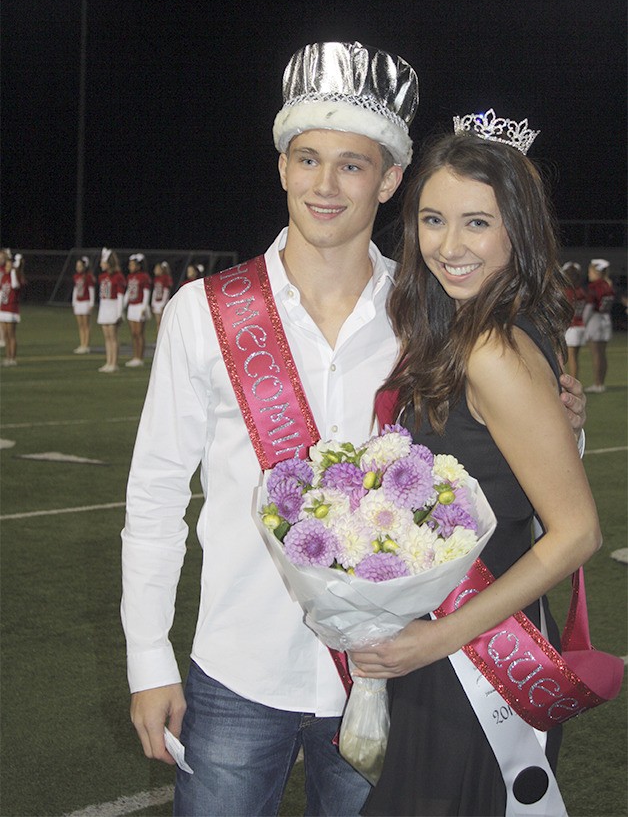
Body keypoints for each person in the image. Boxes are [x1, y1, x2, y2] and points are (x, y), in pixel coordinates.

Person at [121, 45, 586, 817]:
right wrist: (147, 661)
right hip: (240, 668)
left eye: (352, 166)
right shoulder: (205, 312)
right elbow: (155, 497)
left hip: (388, 673)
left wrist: (564, 419)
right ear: (281, 167)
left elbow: (508, 470)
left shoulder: (431, 314)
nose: (325, 186)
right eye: (307, 159)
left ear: (391, 179)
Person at [351, 113, 601, 817]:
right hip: (449, 651)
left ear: (517, 230)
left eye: (477, 224)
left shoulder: (491, 346)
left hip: (476, 660)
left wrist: (435, 638)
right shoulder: (463, 333)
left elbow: (577, 532)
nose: (449, 246)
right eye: (433, 219)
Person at [583, 257, 614, 393]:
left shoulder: (594, 286)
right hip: (606, 320)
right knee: (602, 354)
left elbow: (589, 306)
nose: (589, 274)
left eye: (590, 271)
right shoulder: (608, 285)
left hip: (595, 320)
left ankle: (597, 384)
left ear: (597, 272)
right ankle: (601, 383)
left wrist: (584, 322)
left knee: (596, 354)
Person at [97, 248, 126, 373]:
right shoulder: (102, 276)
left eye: (103, 262)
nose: (101, 264)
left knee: (113, 337)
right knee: (107, 337)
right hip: (104, 306)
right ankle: (108, 361)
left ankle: (114, 363)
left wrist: (119, 312)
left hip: (113, 306)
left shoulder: (118, 277)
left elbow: (120, 295)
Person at [123, 253, 152, 368]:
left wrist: (144, 307)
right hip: (132, 306)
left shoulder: (144, 277)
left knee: (139, 333)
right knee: (133, 334)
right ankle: (135, 357)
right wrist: (123, 306)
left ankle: (140, 357)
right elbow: (128, 292)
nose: (130, 267)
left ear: (138, 266)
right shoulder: (130, 277)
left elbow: (146, 292)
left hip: (139, 306)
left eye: (132, 265)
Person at [561, 260, 587, 378]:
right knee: (574, 357)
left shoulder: (567, 292)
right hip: (580, 325)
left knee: (568, 358)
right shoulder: (581, 291)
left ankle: (571, 383)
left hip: (571, 327)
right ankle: (574, 380)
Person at [0, 251, 25, 367]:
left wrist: (14, 271)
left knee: (11, 335)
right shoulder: (4, 277)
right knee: (5, 335)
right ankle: (7, 357)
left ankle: (13, 358)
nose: (7, 268)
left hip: (11, 309)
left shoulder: (15, 278)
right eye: (6, 266)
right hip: (3, 308)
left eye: (9, 266)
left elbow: (14, 286)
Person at [72, 256, 96, 354]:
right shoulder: (76, 276)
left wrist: (91, 303)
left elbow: (91, 290)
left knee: (86, 325)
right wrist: (74, 302)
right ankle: (82, 344)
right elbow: (75, 290)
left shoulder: (89, 277)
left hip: (86, 302)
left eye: (80, 266)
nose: (78, 268)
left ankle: (86, 345)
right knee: (80, 325)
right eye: (77, 266)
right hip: (78, 302)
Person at [151, 261, 172, 331]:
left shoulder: (165, 278)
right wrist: (153, 303)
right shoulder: (156, 279)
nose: (155, 271)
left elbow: (166, 291)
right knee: (158, 323)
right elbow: (155, 291)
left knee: (163, 323)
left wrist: (163, 304)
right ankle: (158, 339)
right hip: (157, 302)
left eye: (157, 269)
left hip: (162, 302)